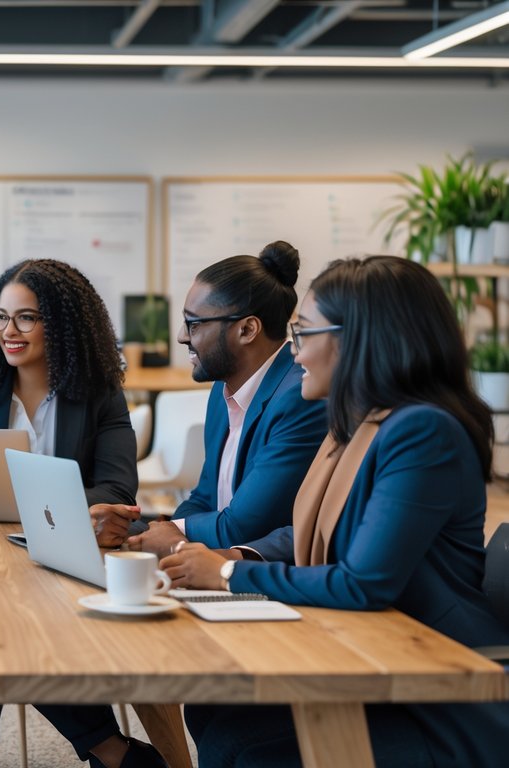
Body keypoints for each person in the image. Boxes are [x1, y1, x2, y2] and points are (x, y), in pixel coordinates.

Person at [160, 255, 509, 767]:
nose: (293, 353)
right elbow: (316, 532)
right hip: (373, 652)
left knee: (243, 746)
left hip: (436, 689)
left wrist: (230, 572)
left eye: (302, 334)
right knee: (217, 711)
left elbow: (363, 582)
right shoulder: (361, 425)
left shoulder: (421, 434)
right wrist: (232, 554)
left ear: (356, 339)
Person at [0, 259, 164, 768]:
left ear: (61, 323)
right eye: (0, 317)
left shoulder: (100, 393)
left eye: (26, 318)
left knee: (10, 619)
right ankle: (110, 749)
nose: (8, 331)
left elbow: (115, 484)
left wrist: (63, 511)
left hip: (65, 552)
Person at [127, 242, 328, 556]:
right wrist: (143, 530)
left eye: (194, 324)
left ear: (247, 329)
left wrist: (162, 533)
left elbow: (242, 526)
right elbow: (205, 499)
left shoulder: (299, 398)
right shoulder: (224, 390)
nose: (181, 335)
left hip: (261, 574)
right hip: (216, 563)